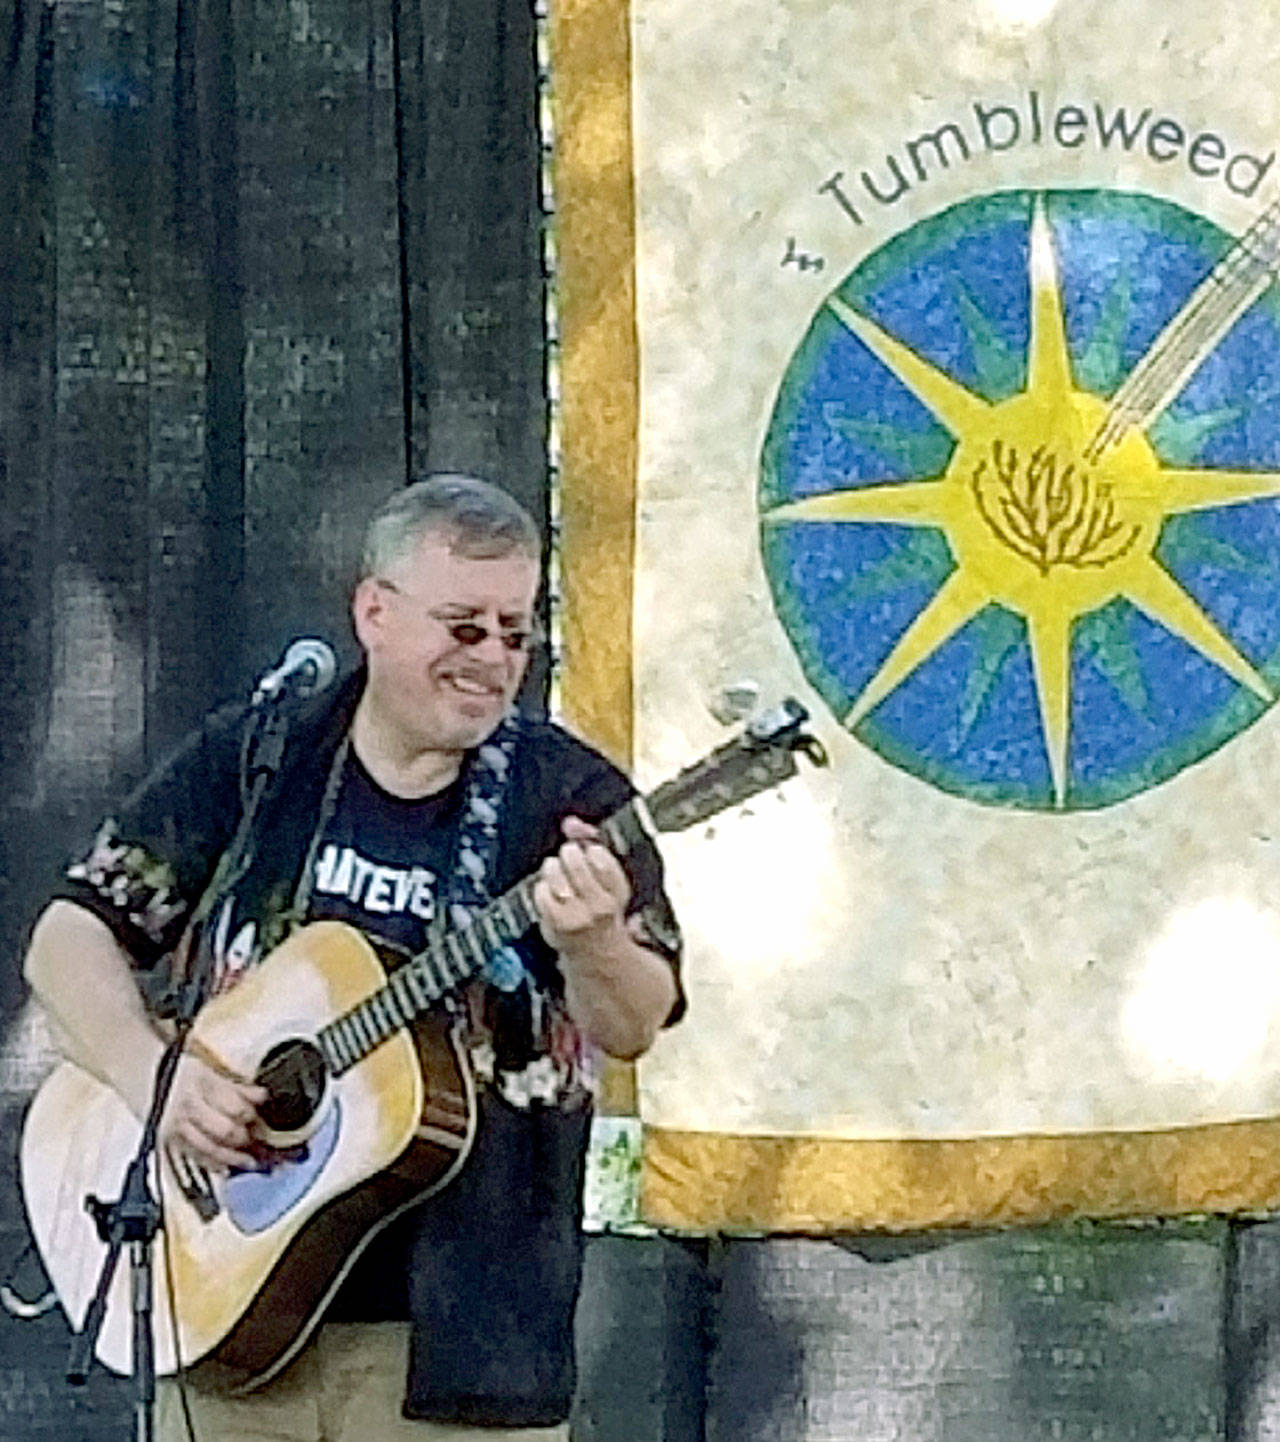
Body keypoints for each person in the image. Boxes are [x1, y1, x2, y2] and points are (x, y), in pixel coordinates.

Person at [23, 473, 684, 1441]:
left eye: (515, 629)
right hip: (226, 1317)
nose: (492, 658)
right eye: (462, 625)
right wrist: (155, 1077)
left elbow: (632, 1021)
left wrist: (590, 938)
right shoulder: (267, 752)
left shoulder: (566, 797)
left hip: (462, 1350)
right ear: (373, 611)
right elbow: (67, 938)